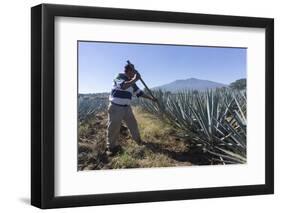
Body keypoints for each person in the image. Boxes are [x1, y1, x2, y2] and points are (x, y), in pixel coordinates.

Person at [106, 63, 157, 156]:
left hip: (127, 108)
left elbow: (140, 93)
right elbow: (123, 86)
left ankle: (138, 141)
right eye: (133, 72)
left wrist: (151, 98)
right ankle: (111, 148)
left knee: (133, 125)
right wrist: (135, 79)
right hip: (116, 107)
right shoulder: (119, 76)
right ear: (128, 71)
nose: (134, 74)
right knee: (114, 127)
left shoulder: (132, 81)